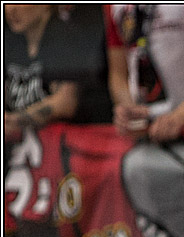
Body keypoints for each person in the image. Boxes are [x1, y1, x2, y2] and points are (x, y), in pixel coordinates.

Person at [104, 4, 184, 141]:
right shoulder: (113, 6)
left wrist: (180, 115)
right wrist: (129, 111)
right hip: (146, 134)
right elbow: (118, 73)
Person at [4, 4, 111, 142]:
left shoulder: (66, 37)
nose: (10, 9)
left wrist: (18, 120)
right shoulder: (11, 43)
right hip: (22, 147)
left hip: (67, 146)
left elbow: (65, 103)